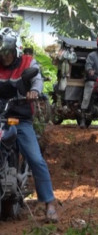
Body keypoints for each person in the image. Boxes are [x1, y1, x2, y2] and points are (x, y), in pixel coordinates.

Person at [0, 27, 58, 222]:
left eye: (7, 52)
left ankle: (49, 202)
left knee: (35, 158)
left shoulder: (27, 62)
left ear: (16, 50)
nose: (4, 57)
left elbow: (37, 80)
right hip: (1, 117)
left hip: (20, 117)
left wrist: (34, 91)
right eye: (2, 53)